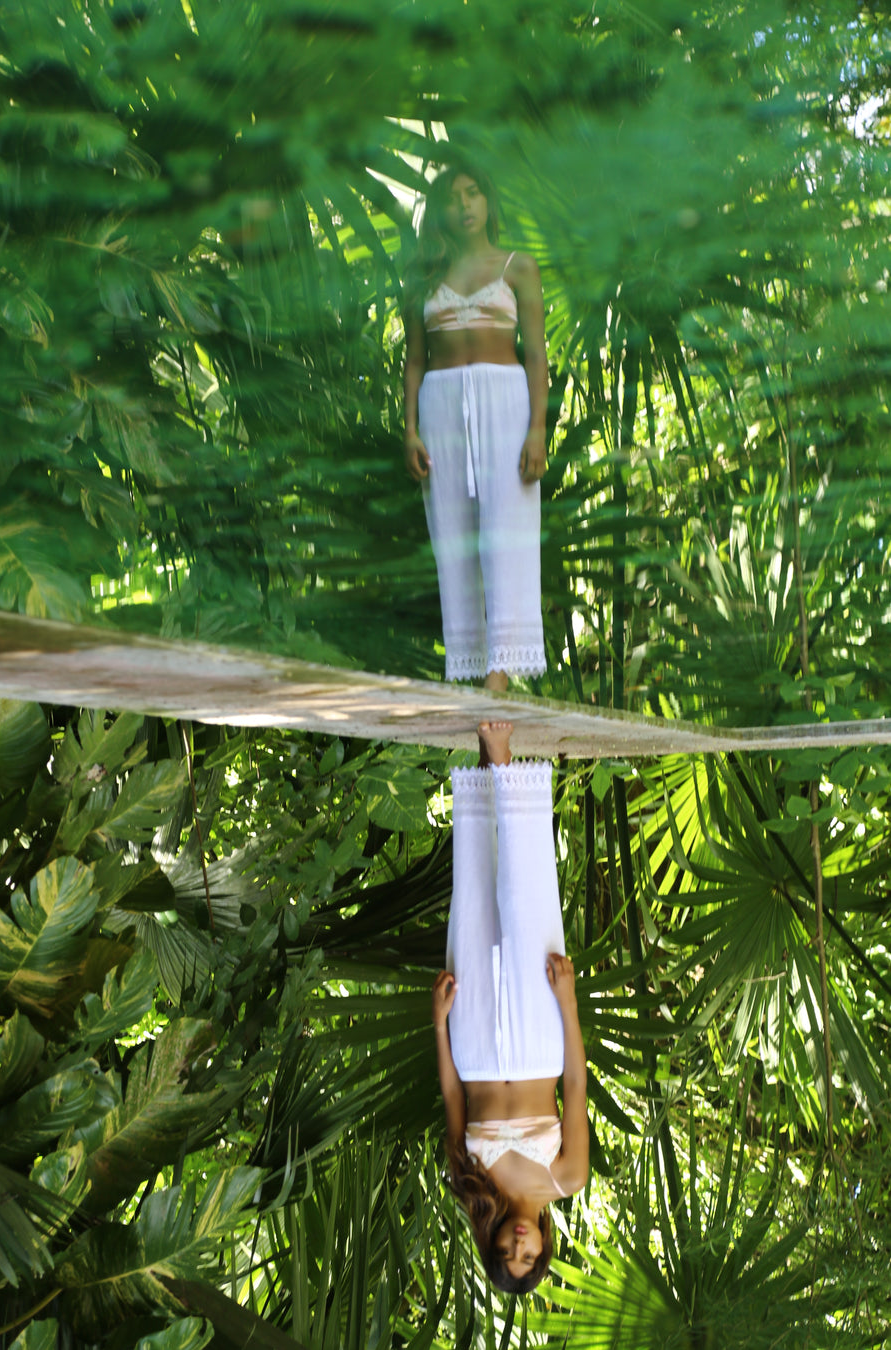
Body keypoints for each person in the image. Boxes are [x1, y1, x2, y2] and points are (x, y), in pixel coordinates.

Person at [432, 721, 589, 1294]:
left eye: (508, 1253)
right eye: (530, 1257)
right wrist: (567, 1004)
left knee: (471, 894)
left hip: (471, 1047)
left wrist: (439, 1025)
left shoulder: (470, 1181)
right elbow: (575, 1086)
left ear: (494, 1243)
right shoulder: (567, 1178)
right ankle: (503, 755)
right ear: (546, 1246)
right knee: (528, 900)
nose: (520, 1246)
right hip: (537, 1043)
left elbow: (452, 1095)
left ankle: (481, 762)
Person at [403, 162, 549, 692]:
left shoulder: (518, 268)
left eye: (472, 193)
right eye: (452, 197)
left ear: (488, 201)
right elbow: (414, 360)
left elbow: (536, 354)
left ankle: (498, 680)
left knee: (505, 534)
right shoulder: (423, 280)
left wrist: (538, 429)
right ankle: (468, 663)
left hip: (505, 403)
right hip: (440, 408)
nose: (463, 206)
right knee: (454, 539)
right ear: (439, 210)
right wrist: (410, 428)